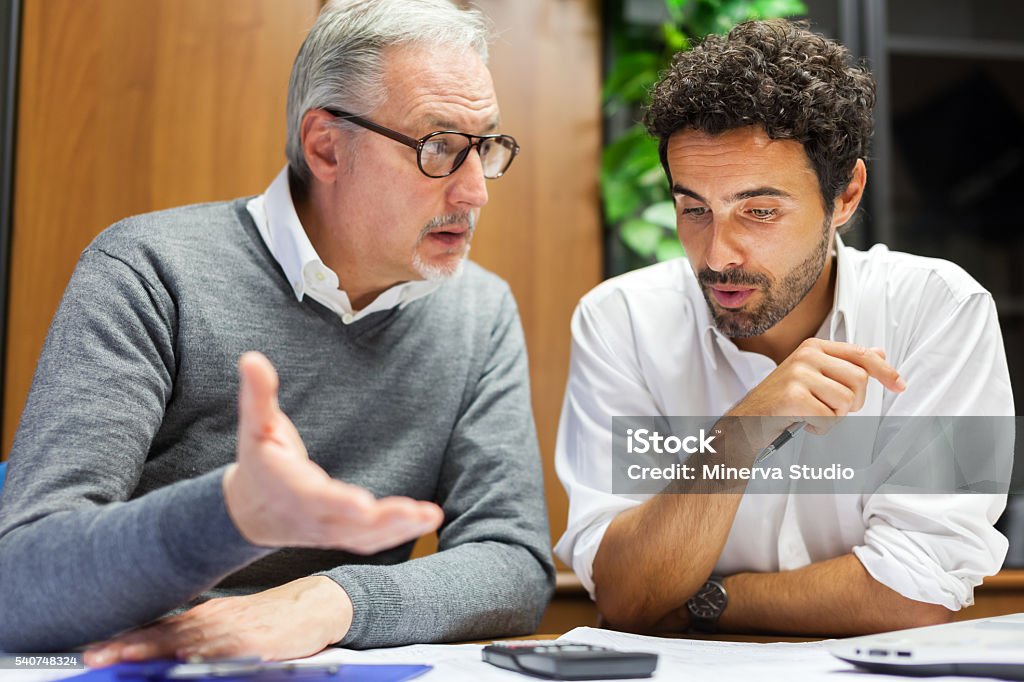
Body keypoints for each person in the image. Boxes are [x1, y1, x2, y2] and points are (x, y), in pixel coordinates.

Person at [0, 0, 553, 661]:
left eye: (484, 147)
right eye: (438, 148)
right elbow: (19, 581)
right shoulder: (149, 269)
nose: (475, 193)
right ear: (326, 146)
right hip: (134, 664)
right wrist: (232, 512)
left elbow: (514, 560)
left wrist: (329, 602)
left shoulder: (478, 310)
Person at [555, 19, 1011, 636]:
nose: (718, 255)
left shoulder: (939, 309)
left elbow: (918, 590)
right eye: (694, 209)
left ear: (845, 196)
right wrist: (740, 435)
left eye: (760, 210)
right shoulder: (622, 322)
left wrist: (703, 600)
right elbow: (627, 594)